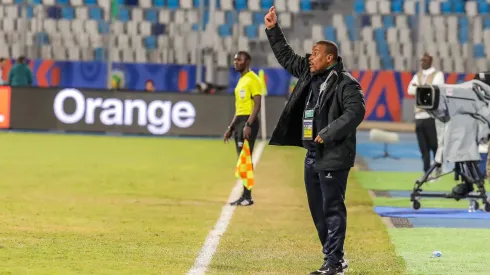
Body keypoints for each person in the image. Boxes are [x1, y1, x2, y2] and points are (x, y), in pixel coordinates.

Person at [264, 7, 365, 275]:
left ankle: (333, 262)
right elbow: (287, 58)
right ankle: (334, 257)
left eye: (316, 53)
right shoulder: (310, 75)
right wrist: (274, 30)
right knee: (318, 212)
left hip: (333, 154)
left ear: (330, 58)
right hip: (312, 155)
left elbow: (356, 113)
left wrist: (328, 132)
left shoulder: (347, 84)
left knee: (332, 209)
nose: (311, 57)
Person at [223, 51, 263, 206]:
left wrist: (248, 124)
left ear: (247, 62)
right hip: (240, 121)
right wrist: (231, 127)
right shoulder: (241, 81)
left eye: (239, 59)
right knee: (242, 159)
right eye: (234, 60)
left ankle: (247, 196)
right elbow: (239, 108)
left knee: (245, 159)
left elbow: (257, 105)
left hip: (248, 121)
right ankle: (245, 195)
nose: (235, 62)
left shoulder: (253, 79)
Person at [407, 53, 445, 178]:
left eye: (425, 60)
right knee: (423, 148)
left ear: (430, 61)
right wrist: (423, 88)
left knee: (434, 145)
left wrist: (417, 87)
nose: (422, 62)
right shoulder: (417, 75)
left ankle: (438, 168)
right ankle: (426, 172)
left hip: (431, 116)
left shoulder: (438, 75)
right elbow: (409, 90)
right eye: (421, 60)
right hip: (419, 116)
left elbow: (434, 90)